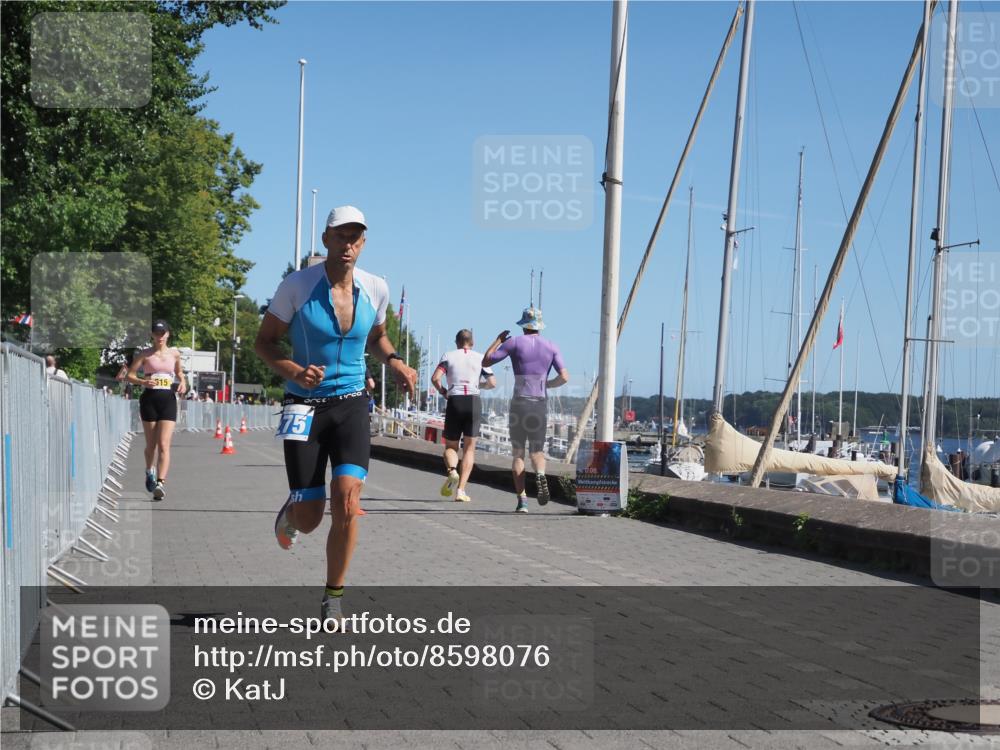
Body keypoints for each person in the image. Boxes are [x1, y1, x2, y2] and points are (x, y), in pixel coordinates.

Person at [255, 205, 417, 626]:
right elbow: (265, 343)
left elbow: (379, 337)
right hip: (302, 406)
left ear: (363, 245)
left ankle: (333, 596)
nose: (348, 245)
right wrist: (293, 370)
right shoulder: (297, 285)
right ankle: (292, 513)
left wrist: (395, 362)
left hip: (350, 403)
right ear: (326, 239)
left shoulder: (375, 288)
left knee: (347, 499)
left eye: (355, 238)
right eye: (341, 236)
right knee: (311, 518)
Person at [483, 307, 569, 513]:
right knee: (537, 451)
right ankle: (540, 473)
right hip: (539, 403)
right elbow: (565, 377)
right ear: (540, 325)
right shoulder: (551, 346)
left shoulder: (513, 343)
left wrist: (498, 340)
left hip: (519, 403)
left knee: (518, 454)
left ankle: (522, 501)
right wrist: (547, 385)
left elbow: (486, 360)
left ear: (523, 325)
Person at [431, 329, 496, 502]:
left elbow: (435, 378)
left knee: (451, 447)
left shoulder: (449, 356)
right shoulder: (481, 358)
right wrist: (478, 386)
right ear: (472, 342)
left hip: (455, 400)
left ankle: (452, 471)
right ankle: (461, 491)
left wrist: (444, 392)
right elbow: (492, 383)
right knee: (469, 449)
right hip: (474, 401)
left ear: (457, 342)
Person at [126, 319, 187, 500]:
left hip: (167, 399)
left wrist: (183, 382)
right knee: (151, 445)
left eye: (162, 333)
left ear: (168, 334)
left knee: (164, 444)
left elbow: (179, 373)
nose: (159, 337)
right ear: (152, 335)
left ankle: (160, 483)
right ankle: (148, 470)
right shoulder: (145, 354)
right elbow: (130, 375)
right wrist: (143, 381)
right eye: (156, 333)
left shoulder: (174, 354)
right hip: (149, 399)